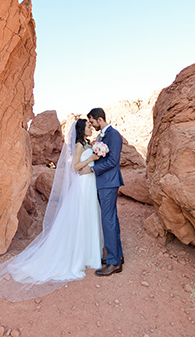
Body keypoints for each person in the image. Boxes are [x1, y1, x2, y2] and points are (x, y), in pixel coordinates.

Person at [0, 119, 102, 301]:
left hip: (90, 183)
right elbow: (75, 167)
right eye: (87, 126)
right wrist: (92, 158)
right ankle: (77, 257)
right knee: (80, 219)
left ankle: (90, 255)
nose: (90, 128)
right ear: (81, 129)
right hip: (82, 186)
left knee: (89, 218)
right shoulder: (79, 145)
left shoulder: (88, 143)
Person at [84, 107, 125, 276]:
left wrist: (93, 169)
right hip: (104, 182)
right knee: (111, 219)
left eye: (92, 122)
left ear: (99, 119)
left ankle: (114, 262)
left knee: (107, 220)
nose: (92, 126)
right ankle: (117, 256)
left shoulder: (113, 135)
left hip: (108, 182)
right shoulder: (103, 135)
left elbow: (114, 160)